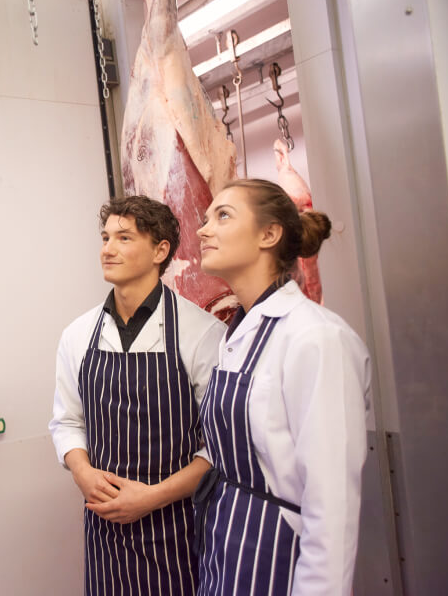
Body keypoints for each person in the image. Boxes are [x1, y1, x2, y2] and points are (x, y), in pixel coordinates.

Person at [193, 179, 370, 595]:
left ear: (269, 235)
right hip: (225, 542)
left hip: (276, 551)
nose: (202, 230)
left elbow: (333, 506)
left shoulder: (317, 338)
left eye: (222, 216)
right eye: (205, 219)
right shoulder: (236, 334)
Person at [49, 195, 226, 595]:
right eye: (105, 237)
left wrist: (150, 497)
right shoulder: (78, 334)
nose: (108, 249)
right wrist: (83, 473)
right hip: (104, 529)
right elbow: (67, 421)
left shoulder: (202, 335)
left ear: (160, 250)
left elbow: (218, 448)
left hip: (178, 530)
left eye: (124, 238)